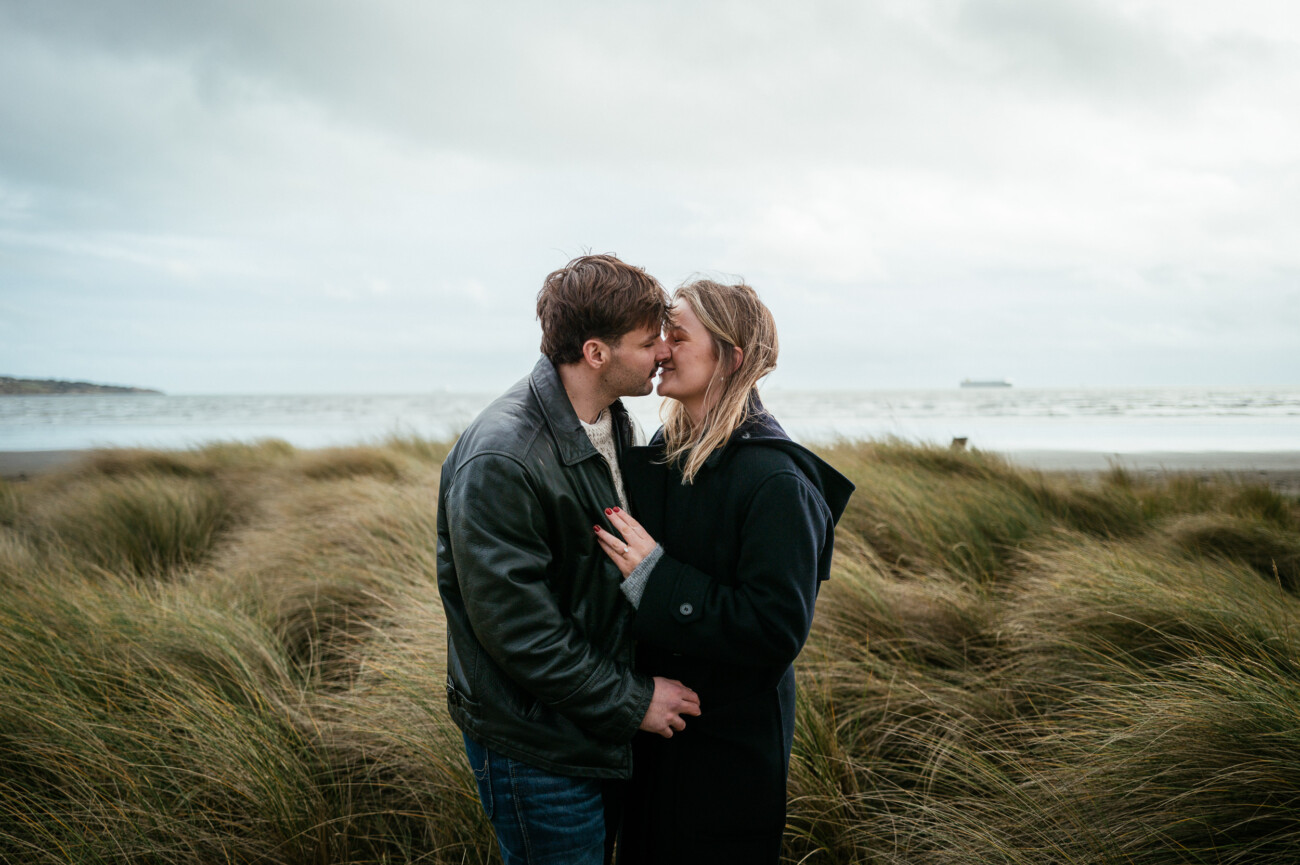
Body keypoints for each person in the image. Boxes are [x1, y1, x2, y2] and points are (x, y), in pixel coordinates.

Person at [436, 254, 703, 865]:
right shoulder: (503, 458)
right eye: (647, 341)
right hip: (535, 748)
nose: (663, 351)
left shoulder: (612, 422)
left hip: (591, 729)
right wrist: (635, 701)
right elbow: (519, 632)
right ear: (596, 353)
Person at [593, 279, 855, 864]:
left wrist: (656, 580)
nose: (662, 349)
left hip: (724, 764)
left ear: (731, 356)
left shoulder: (776, 480)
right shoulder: (668, 448)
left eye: (678, 336)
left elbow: (775, 629)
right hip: (649, 744)